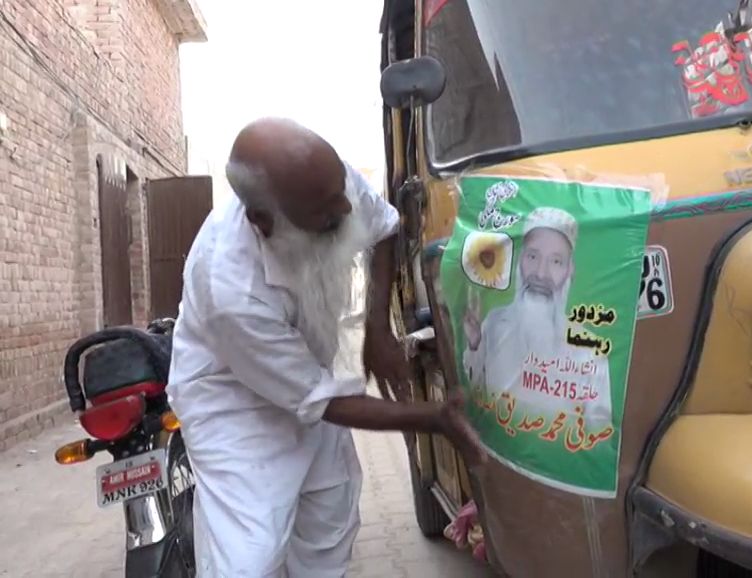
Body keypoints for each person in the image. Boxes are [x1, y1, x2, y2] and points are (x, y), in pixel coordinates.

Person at [166, 118, 484, 578]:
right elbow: (326, 401)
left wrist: (377, 328)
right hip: (233, 404)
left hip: (308, 373)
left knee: (330, 518)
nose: (344, 211)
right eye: (328, 216)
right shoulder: (229, 289)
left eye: (342, 194)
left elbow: (383, 227)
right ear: (263, 222)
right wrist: (433, 418)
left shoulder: (324, 184)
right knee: (250, 557)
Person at [462, 207, 612, 428]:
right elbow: (474, 396)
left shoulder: (590, 351)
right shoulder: (494, 323)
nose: (541, 274)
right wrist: (474, 345)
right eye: (533, 256)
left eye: (556, 262)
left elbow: (598, 433)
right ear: (520, 261)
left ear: (570, 270)